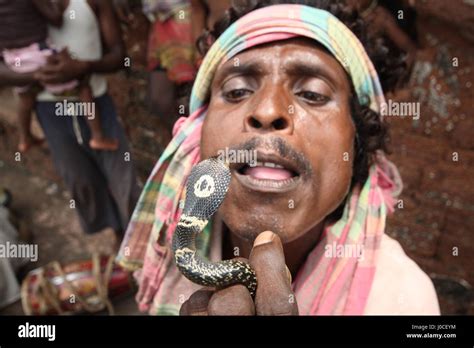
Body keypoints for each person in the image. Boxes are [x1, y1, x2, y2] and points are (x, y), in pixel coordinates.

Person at [117, 0, 440, 315]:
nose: (268, 110)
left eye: (312, 94)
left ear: (359, 145)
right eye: (237, 91)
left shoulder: (403, 297)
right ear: (195, 133)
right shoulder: (168, 251)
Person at [0, 0, 140, 242]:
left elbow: (119, 56)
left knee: (124, 182)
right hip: (50, 111)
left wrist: (83, 66)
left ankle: (138, 244)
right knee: (82, 183)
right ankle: (119, 239)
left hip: (97, 103)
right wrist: (36, 74)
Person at [0, 0, 118, 152]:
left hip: (13, 58)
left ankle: (24, 138)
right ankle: (98, 136)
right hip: (38, 54)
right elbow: (56, 18)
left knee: (25, 98)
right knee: (83, 86)